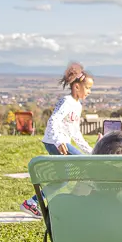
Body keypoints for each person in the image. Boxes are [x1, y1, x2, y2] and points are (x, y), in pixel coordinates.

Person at [21, 63, 95, 218]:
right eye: (87, 88)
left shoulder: (77, 105)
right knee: (86, 164)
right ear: (76, 87)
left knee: (63, 180)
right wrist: (58, 140)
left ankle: (32, 203)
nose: (89, 91)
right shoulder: (66, 101)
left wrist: (92, 151)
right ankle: (79, 203)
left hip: (60, 142)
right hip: (56, 142)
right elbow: (53, 120)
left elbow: (75, 133)